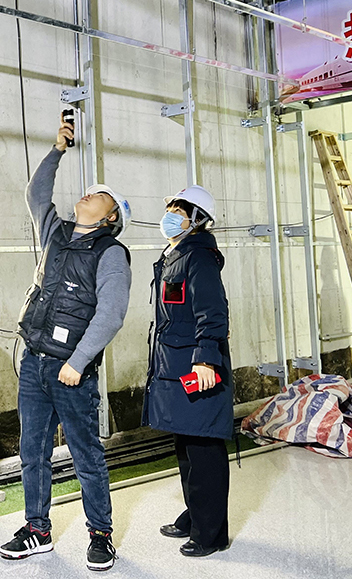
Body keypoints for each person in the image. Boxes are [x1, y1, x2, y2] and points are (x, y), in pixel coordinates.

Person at [0, 117, 132, 572]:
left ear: (111, 217)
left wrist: (77, 361)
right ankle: (37, 530)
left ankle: (101, 535)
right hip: (35, 362)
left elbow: (110, 314)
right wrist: (56, 150)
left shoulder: (110, 253)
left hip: (71, 370)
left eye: (99, 195)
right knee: (31, 452)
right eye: (88, 191)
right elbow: (36, 194)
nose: (88, 195)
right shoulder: (55, 233)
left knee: (85, 454)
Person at [143, 185, 233, 558]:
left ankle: (211, 533)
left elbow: (212, 311)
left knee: (203, 447)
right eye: (171, 210)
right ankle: (196, 515)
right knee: (186, 444)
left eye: (179, 212)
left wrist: (206, 358)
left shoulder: (199, 257)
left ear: (196, 220)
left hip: (197, 366)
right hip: (175, 365)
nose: (170, 216)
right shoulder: (175, 256)